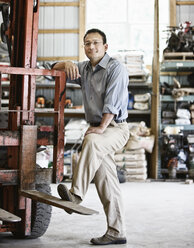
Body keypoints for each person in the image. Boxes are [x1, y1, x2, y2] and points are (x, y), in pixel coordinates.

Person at [53, 28, 130, 245]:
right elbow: (52, 68)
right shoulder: (84, 69)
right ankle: (117, 232)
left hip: (115, 128)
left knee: (92, 140)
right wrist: (66, 62)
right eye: (87, 43)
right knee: (107, 182)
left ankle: (75, 195)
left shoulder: (116, 68)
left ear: (105, 47)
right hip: (100, 128)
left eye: (96, 43)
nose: (91, 47)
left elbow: (113, 103)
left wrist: (102, 127)